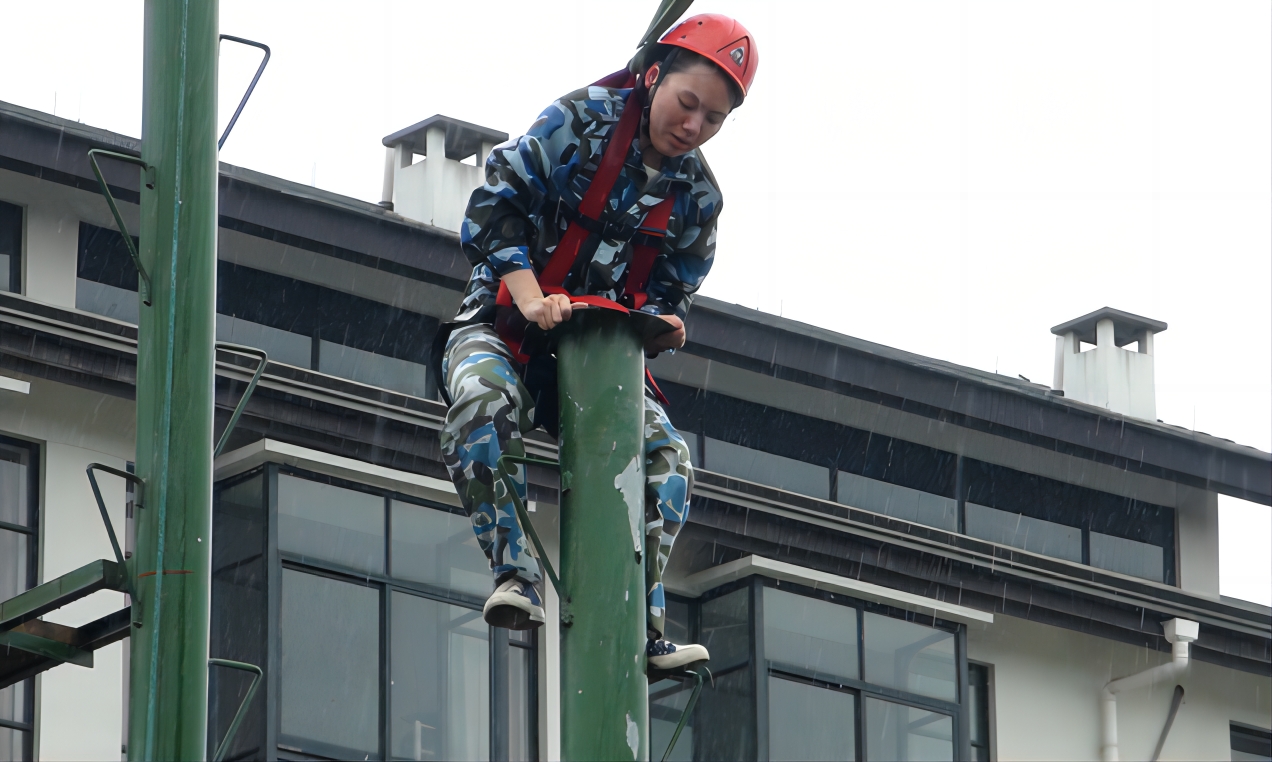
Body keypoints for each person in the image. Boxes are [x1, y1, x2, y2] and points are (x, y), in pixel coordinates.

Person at [437, 13, 758, 672]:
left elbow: (673, 290)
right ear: (653, 76)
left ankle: (640, 622)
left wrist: (663, 324)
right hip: (504, 331)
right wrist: (531, 297)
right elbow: (494, 204)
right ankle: (514, 574)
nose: (693, 126)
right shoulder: (579, 121)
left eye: (713, 119)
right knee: (480, 403)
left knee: (668, 457)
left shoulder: (698, 198)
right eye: (687, 103)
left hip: (601, 361)